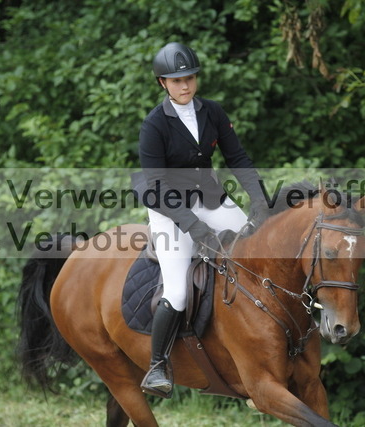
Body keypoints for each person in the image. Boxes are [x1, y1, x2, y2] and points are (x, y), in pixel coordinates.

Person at [136, 42, 270, 398]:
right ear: (163, 83)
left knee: (259, 252)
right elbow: (157, 185)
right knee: (178, 290)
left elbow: (237, 158)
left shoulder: (212, 111)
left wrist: (260, 201)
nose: (185, 85)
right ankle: (158, 365)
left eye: (190, 78)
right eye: (176, 80)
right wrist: (196, 228)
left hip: (209, 197)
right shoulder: (154, 124)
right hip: (168, 207)